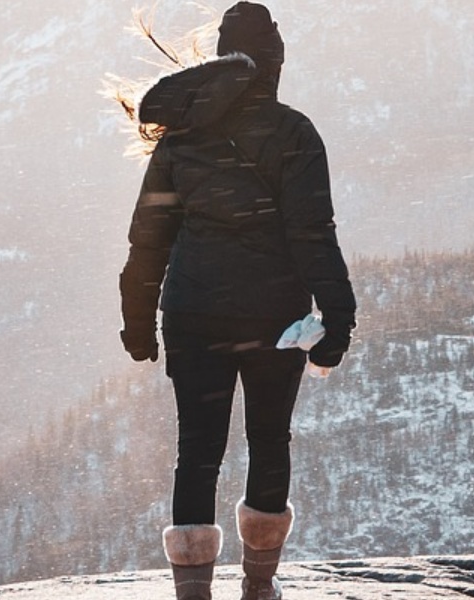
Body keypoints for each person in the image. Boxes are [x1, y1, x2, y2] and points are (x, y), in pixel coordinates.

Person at [118, 3, 355, 600]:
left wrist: (139, 320)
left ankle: (192, 591)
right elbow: (312, 233)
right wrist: (338, 319)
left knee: (197, 447)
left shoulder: (183, 138)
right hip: (274, 318)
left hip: (193, 315)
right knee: (269, 440)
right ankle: (258, 588)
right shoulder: (293, 132)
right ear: (273, 63)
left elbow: (149, 237)